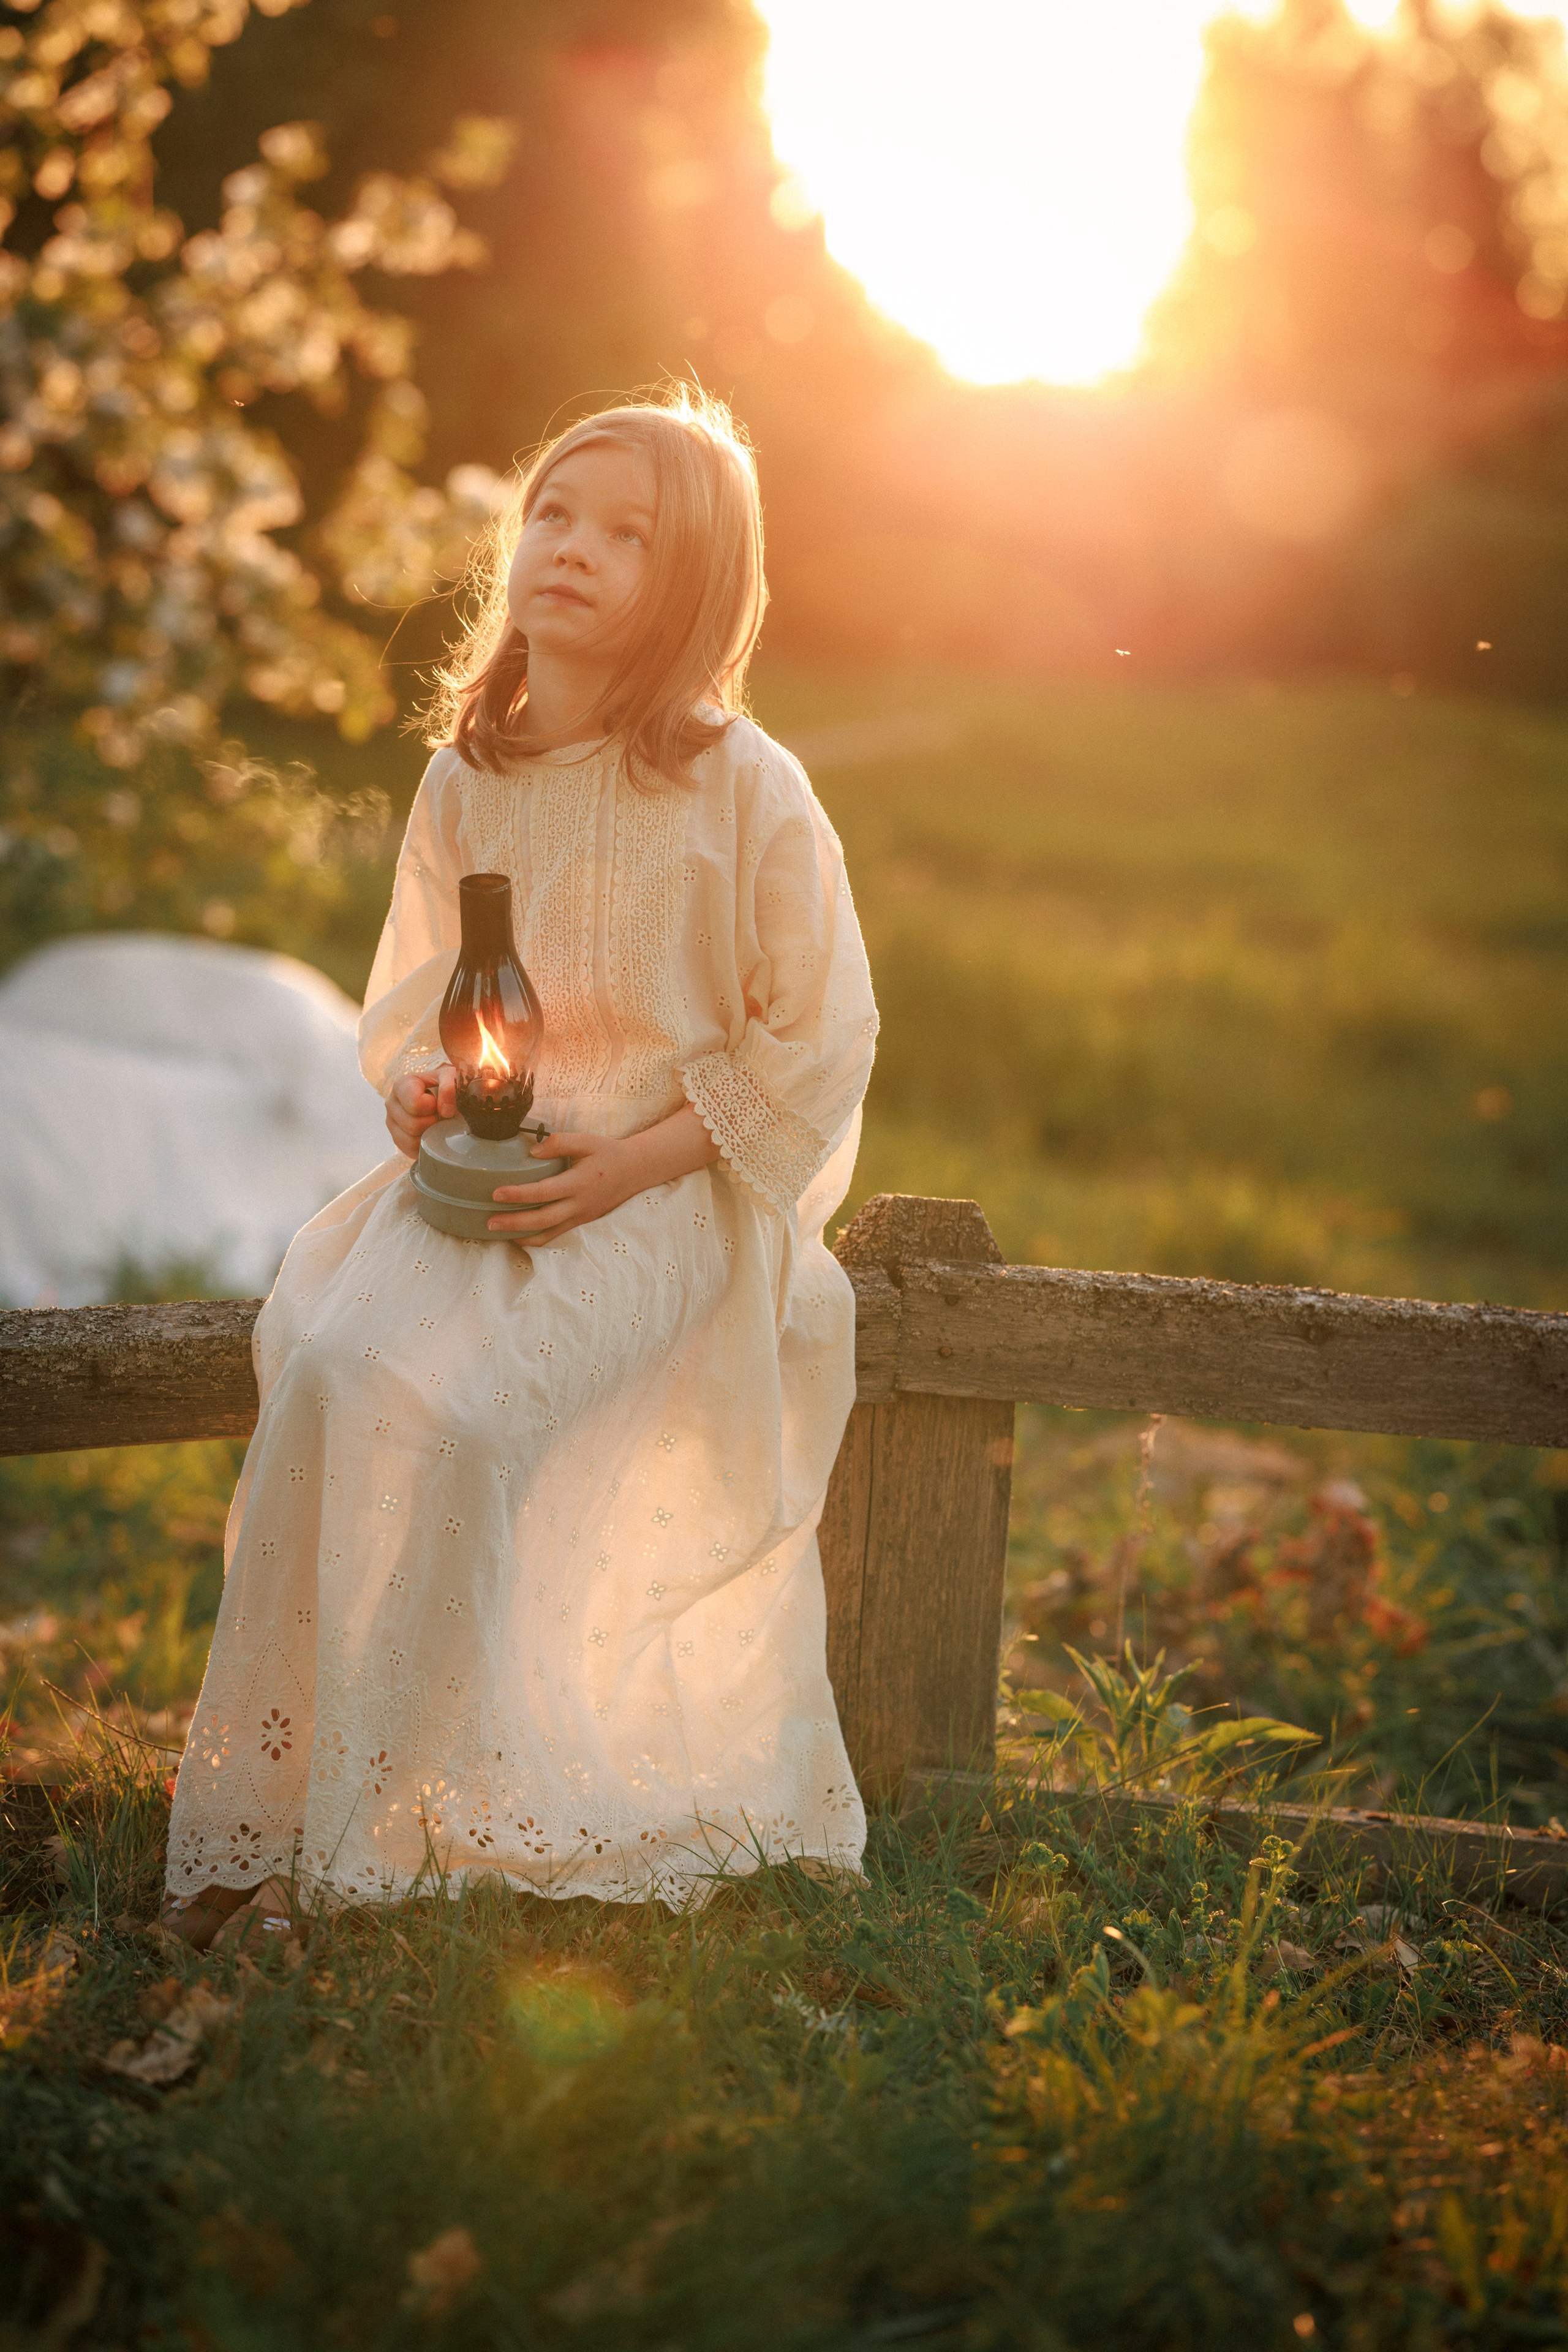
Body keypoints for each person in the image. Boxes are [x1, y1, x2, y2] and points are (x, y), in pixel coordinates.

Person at [161, 387, 878, 1943]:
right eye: (556, 512)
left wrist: (627, 1170)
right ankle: (281, 1801)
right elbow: (418, 1009)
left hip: (669, 1187)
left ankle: (396, 1833)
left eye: (628, 536)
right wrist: (426, 1094)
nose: (575, 549)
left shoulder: (740, 781)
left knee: (477, 1421)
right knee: (341, 1373)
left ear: (686, 585)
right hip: (495, 1164)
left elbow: (814, 1040)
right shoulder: (465, 777)